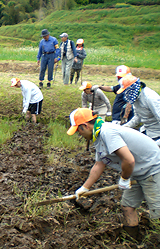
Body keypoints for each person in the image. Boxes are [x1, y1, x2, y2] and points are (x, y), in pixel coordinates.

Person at [67, 108, 160, 240]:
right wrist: (85, 188)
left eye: (78, 131)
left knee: (157, 213)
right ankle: (133, 240)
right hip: (136, 172)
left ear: (85, 126)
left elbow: (128, 160)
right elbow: (99, 164)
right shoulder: (98, 136)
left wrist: (124, 178)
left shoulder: (107, 132)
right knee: (128, 206)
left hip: (152, 168)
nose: (79, 134)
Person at [118, 74, 160, 145]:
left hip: (157, 135)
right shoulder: (135, 98)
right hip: (147, 131)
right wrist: (124, 128)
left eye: (126, 91)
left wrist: (157, 144)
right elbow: (138, 117)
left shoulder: (150, 98)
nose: (125, 94)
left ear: (132, 88)